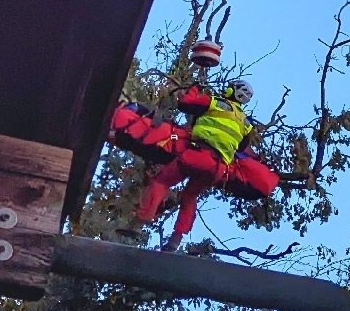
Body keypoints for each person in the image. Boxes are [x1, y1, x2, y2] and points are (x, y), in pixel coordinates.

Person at [120, 77, 281, 248]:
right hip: (219, 169)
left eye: (229, 87)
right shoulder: (245, 123)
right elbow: (241, 148)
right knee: (189, 196)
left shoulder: (216, 103)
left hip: (198, 155)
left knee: (161, 181)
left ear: (233, 91)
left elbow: (184, 103)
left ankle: (139, 223)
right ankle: (176, 240)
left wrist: (194, 88)